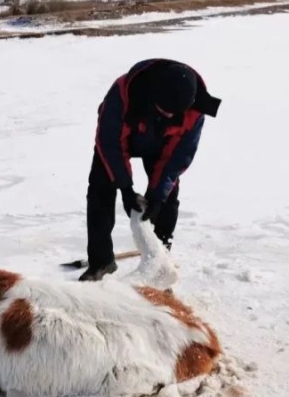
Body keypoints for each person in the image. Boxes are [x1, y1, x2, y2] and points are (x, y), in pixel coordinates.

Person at [79, 58, 222, 282]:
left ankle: (161, 262)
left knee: (167, 198)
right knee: (100, 190)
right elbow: (110, 143)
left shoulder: (196, 108)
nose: (169, 116)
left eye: (174, 113)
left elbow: (177, 158)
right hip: (120, 140)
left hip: (162, 145)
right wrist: (126, 189)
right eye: (164, 110)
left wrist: (157, 196)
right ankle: (101, 261)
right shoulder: (124, 92)